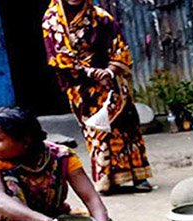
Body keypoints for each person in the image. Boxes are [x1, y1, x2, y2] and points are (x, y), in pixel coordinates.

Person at [41, 0, 152, 194]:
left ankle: (138, 176)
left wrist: (109, 71)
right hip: (82, 87)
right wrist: (91, 73)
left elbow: (120, 48)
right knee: (97, 130)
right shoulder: (52, 20)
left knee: (126, 125)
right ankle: (107, 179)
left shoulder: (101, 17)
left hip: (111, 82)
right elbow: (59, 57)